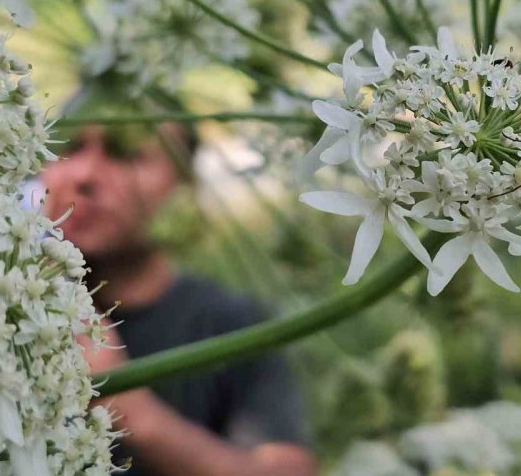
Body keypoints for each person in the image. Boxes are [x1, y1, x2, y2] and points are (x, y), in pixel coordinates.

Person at [41, 116, 318, 476]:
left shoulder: (233, 324)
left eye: (125, 153)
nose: (83, 175)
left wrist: (128, 407)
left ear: (185, 187)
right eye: (70, 147)